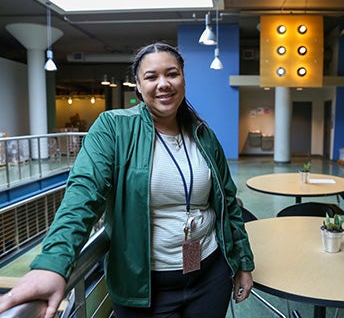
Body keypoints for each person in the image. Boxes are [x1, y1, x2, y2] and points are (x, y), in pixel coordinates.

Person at [0, 42, 254, 318]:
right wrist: (51, 264)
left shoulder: (204, 135)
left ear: (183, 78)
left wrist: (243, 264)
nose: (163, 84)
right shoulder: (113, 128)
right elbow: (83, 195)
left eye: (172, 74)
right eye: (151, 76)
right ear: (138, 84)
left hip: (210, 274)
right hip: (145, 288)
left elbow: (228, 203)